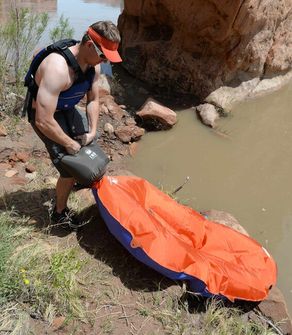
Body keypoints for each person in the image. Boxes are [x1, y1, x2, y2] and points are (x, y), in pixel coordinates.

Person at [24, 21, 122, 230]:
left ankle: (75, 178)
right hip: (47, 117)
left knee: (87, 146)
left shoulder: (93, 65)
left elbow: (94, 100)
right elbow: (43, 120)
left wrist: (92, 132)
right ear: (89, 46)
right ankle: (59, 213)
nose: (106, 61)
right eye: (103, 55)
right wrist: (69, 143)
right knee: (67, 167)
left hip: (67, 108)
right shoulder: (57, 68)